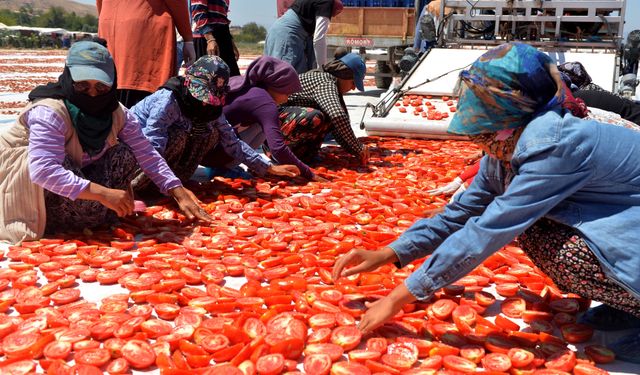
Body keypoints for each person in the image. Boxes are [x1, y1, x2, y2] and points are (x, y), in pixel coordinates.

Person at [332, 43, 640, 362]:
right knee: (544, 234)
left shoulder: (555, 145)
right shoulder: (508, 145)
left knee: (558, 246)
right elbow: (463, 211)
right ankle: (629, 307)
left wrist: (397, 298)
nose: (476, 131)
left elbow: (490, 228)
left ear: (514, 110)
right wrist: (391, 251)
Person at [0, 41, 210, 244]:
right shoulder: (49, 113)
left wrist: (177, 190)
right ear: (68, 78)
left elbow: (146, 152)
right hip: (29, 183)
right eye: (82, 86)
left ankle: (91, 210)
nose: (92, 94)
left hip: (78, 172)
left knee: (126, 154)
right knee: (88, 208)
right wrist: (103, 194)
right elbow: (43, 170)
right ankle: (59, 217)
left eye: (101, 88)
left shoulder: (117, 113)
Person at [129, 55, 300, 194]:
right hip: (134, 155)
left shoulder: (212, 108)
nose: (205, 103)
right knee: (179, 135)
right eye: (202, 96)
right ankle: (137, 187)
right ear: (188, 82)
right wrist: (174, 188)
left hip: (162, 160)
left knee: (211, 132)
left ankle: (176, 180)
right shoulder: (169, 101)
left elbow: (232, 142)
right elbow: (151, 147)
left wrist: (268, 168)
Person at [202, 56, 324, 181]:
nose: (287, 99)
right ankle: (221, 168)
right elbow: (278, 149)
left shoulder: (243, 84)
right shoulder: (265, 102)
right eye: (287, 93)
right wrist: (310, 174)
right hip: (209, 152)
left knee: (261, 125)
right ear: (275, 86)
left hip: (200, 149)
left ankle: (222, 165)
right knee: (264, 125)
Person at [97, 0, 196, 108]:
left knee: (112, 86)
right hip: (144, 27)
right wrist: (187, 38)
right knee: (147, 100)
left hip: (109, 23)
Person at [278, 52, 369, 165]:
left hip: (284, 127)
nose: (353, 88)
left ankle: (304, 155)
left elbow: (338, 129)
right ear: (345, 75)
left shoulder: (332, 85)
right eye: (353, 83)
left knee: (327, 116)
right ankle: (285, 154)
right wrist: (358, 146)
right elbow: (338, 116)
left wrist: (355, 151)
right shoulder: (326, 82)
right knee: (315, 116)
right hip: (275, 135)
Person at [264, 0, 344, 74]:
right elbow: (319, 38)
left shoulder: (312, 7)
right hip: (287, 35)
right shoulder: (327, 2)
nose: (331, 16)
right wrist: (322, 70)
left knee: (299, 78)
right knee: (284, 77)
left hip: (283, 32)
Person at [191, 0, 240, 76]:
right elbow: (198, 11)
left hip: (223, 37)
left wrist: (231, 43)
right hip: (205, 38)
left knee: (231, 79)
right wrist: (210, 39)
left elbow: (222, 18)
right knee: (205, 79)